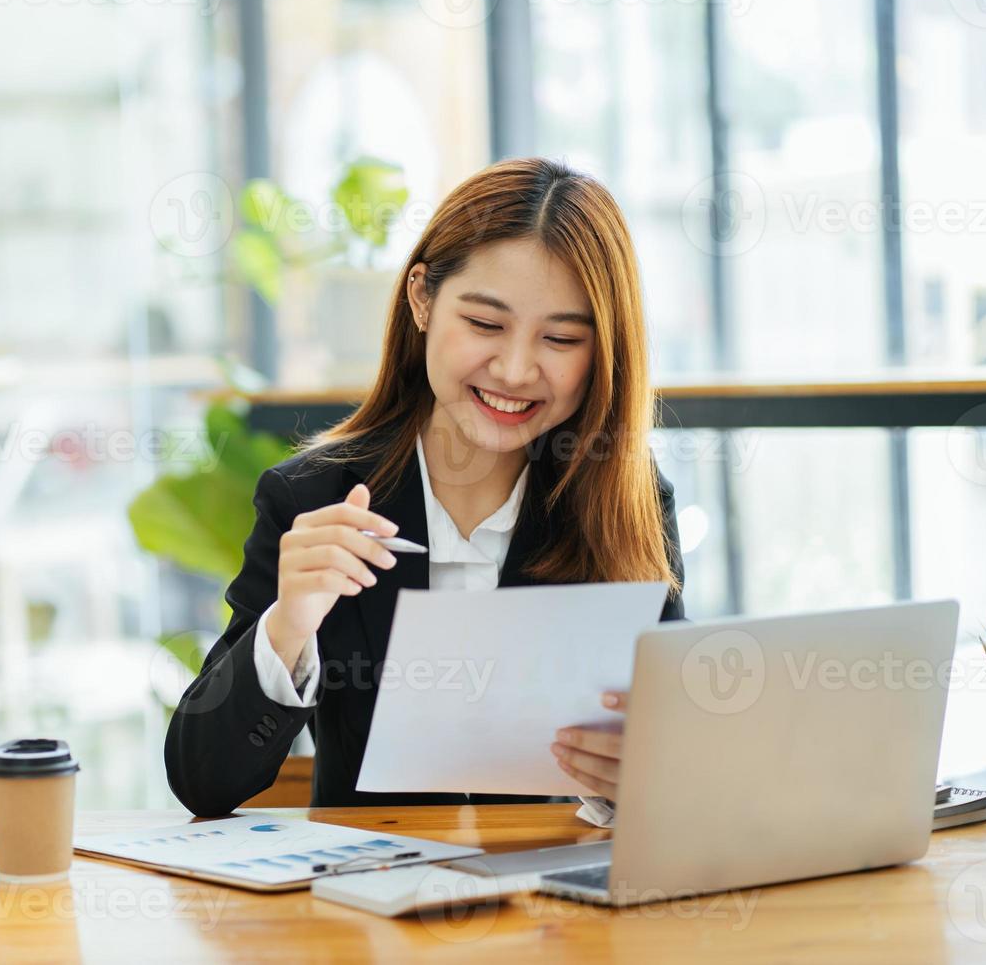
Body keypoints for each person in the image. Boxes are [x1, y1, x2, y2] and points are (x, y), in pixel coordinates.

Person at [164, 157, 685, 824]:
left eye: (559, 338)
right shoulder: (315, 497)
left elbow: (671, 761)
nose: (516, 368)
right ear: (422, 299)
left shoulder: (627, 503)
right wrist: (289, 623)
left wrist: (639, 766)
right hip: (364, 903)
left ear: (603, 351)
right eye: (486, 325)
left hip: (556, 909)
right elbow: (202, 780)